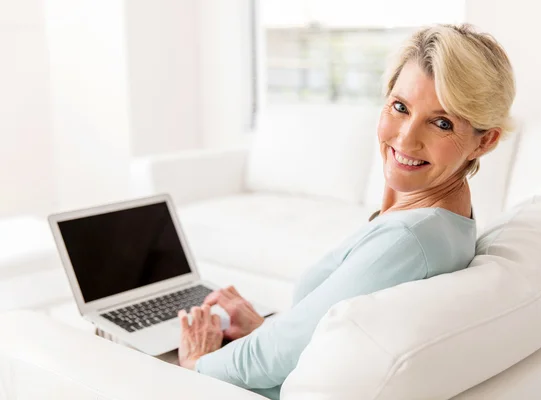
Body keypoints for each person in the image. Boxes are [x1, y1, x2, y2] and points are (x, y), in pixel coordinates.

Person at [177, 23, 516, 399]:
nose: (405, 139)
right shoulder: (451, 219)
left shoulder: (409, 240)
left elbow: (271, 360)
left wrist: (195, 366)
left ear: (485, 141)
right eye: (400, 107)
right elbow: (334, 338)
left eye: (441, 123)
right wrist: (265, 329)